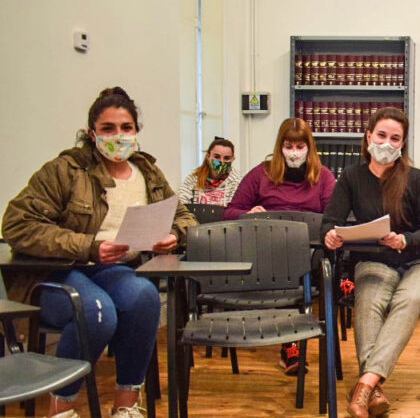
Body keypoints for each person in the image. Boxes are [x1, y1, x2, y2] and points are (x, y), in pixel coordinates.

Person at [2, 87, 196, 418]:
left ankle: (125, 405)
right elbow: (17, 224)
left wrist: (173, 236)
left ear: (136, 132)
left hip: (115, 272)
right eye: (108, 128)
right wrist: (89, 246)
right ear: (92, 133)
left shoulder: (147, 173)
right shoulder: (64, 170)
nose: (118, 136)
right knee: (95, 311)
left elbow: (184, 217)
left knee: (145, 297)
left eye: (126, 128)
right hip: (59, 273)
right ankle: (61, 407)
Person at [321, 107, 420, 418]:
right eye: (381, 136)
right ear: (368, 137)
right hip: (375, 259)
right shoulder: (351, 177)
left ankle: (364, 384)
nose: (387, 144)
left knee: (410, 298)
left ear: (402, 144)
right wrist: (330, 236)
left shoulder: (417, 179)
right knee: (369, 302)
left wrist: (404, 239)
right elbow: (329, 222)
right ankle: (373, 390)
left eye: (395, 139)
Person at [223, 117, 336, 374]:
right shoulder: (261, 174)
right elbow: (230, 212)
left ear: (309, 148)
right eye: (288, 146)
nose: (294, 153)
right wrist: (250, 212)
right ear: (279, 147)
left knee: (312, 265)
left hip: (309, 253)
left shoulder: (322, 176)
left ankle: (293, 341)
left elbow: (333, 216)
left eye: (299, 147)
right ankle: (291, 344)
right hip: (268, 255)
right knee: (285, 270)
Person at [178, 136, 242, 206]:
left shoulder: (238, 181)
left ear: (232, 159)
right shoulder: (194, 177)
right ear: (208, 157)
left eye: (226, 158)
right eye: (217, 157)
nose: (221, 161)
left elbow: (236, 209)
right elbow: (180, 203)